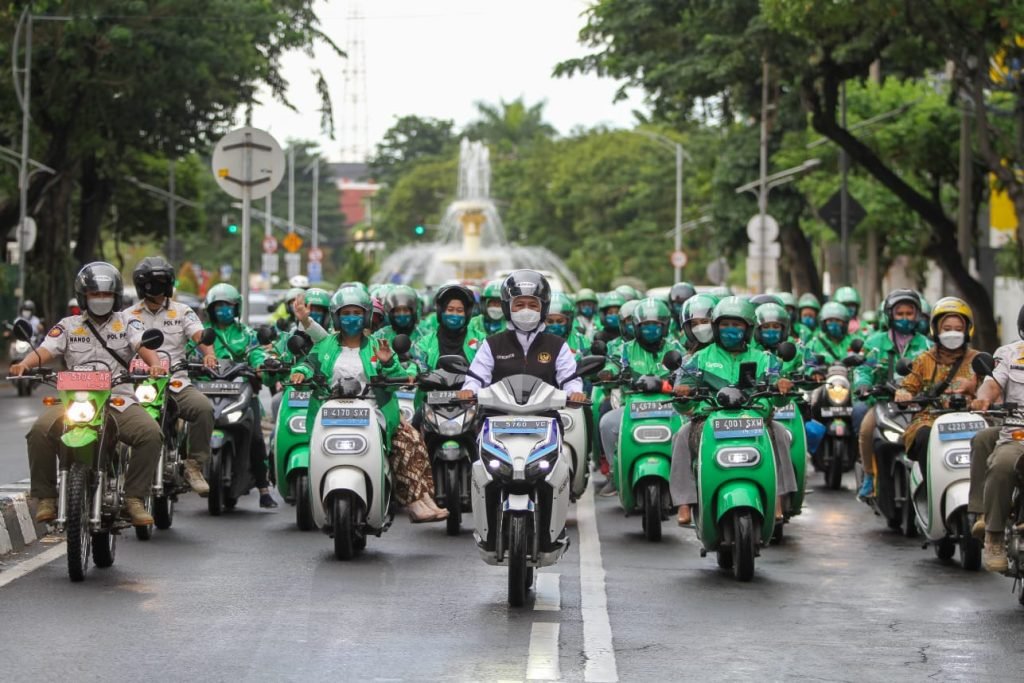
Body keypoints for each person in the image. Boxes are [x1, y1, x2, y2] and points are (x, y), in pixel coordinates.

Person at [14, 262, 165, 525]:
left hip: (118, 399)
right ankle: (47, 497)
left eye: (106, 294)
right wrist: (25, 364)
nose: (100, 299)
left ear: (115, 296)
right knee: (38, 431)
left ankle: (134, 498)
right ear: (84, 297)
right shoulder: (68, 325)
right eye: (95, 294)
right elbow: (46, 350)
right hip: (75, 400)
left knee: (151, 434)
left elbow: (142, 344)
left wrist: (154, 364)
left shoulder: (128, 322)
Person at [288, 285, 446, 522]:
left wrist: (388, 363)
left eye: (357, 312)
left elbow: (394, 379)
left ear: (366, 315)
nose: (351, 318)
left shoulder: (377, 345)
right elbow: (309, 364)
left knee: (410, 440)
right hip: (330, 411)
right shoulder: (326, 344)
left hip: (372, 410)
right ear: (337, 317)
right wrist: (300, 373)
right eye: (346, 313)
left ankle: (418, 500)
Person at [669, 297, 797, 526]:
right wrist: (681, 394)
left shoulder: (765, 360)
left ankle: (778, 497)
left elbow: (777, 399)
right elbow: (682, 404)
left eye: (736, 325)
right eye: (725, 325)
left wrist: (782, 388)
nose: (730, 330)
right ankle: (684, 503)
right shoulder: (698, 359)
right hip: (708, 420)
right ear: (716, 328)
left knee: (781, 434)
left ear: (748, 329)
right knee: (681, 436)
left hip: (756, 421)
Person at [126, 256, 218, 495]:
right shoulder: (127, 315)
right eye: (147, 282)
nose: (152, 288)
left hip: (175, 381)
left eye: (157, 282)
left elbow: (199, 335)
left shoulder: (182, 311)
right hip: (137, 383)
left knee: (203, 409)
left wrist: (209, 354)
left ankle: (194, 465)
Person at [200, 283, 279, 508]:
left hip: (240, 392)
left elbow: (256, 355)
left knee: (255, 436)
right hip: (207, 390)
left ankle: (264, 489)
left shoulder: (247, 334)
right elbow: (190, 351)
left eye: (228, 305)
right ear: (210, 309)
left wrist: (262, 365)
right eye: (218, 306)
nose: (223, 310)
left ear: (236, 308)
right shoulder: (202, 333)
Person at [457, 270, 586, 404]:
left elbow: (569, 379)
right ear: (508, 307)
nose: (526, 310)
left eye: (533, 305)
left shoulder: (558, 346)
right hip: (498, 417)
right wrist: (470, 390)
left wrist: (575, 392)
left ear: (543, 308)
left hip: (545, 418)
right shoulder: (492, 344)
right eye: (519, 305)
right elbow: (477, 377)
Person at [895, 297, 979, 502]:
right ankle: (932, 489)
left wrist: (975, 391)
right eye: (947, 328)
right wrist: (903, 394)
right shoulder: (924, 360)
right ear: (936, 330)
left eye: (958, 328)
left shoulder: (978, 359)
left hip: (972, 419)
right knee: (923, 436)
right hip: (930, 418)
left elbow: (993, 387)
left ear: (967, 330)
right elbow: (907, 386)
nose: (952, 333)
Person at [597, 298, 682, 496]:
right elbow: (615, 363)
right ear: (636, 327)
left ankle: (687, 478)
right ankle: (614, 472)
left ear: (665, 326)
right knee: (607, 423)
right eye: (645, 325)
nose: (650, 329)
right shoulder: (626, 348)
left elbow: (685, 368)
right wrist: (609, 372)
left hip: (669, 405)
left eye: (655, 325)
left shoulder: (674, 347)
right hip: (634, 406)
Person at [851, 289, 931, 498]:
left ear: (917, 315)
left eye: (909, 313)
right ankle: (869, 476)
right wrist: (862, 384)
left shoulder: (926, 345)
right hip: (883, 403)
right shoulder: (875, 343)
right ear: (890, 315)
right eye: (900, 314)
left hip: (917, 406)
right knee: (867, 430)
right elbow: (864, 369)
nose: (905, 319)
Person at [969, 304, 1024, 571]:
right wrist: (983, 398)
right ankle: (993, 536)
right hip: (1017, 433)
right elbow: (992, 383)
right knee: (1002, 464)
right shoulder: (1011, 354)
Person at [412, 284, 481, 372]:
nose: (454, 314)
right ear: (441, 311)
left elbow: (488, 366)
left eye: (459, 310)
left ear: (467, 314)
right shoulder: (425, 343)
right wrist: (412, 373)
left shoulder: (480, 340)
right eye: (450, 309)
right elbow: (415, 365)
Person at [804, 301, 859, 369]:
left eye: (838, 321)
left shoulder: (854, 341)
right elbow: (807, 366)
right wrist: (814, 373)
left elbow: (865, 366)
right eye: (830, 321)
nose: (834, 324)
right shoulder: (814, 344)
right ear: (823, 324)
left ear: (845, 323)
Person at [546, 292, 590, 357]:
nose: (555, 325)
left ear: (568, 321)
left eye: (560, 321)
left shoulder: (581, 341)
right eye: (550, 321)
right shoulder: (534, 340)